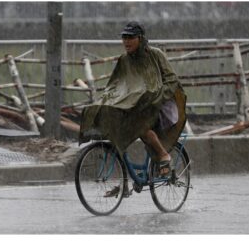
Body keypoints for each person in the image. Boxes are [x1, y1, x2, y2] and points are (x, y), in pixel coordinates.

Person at [79, 21, 187, 196]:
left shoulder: (155, 55)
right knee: (116, 128)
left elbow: (172, 80)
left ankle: (163, 155)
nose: (126, 41)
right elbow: (115, 85)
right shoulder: (124, 61)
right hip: (136, 104)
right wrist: (104, 101)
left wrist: (156, 96)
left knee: (143, 127)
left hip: (161, 104)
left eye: (130, 37)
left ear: (141, 39)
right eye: (124, 37)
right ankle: (125, 183)